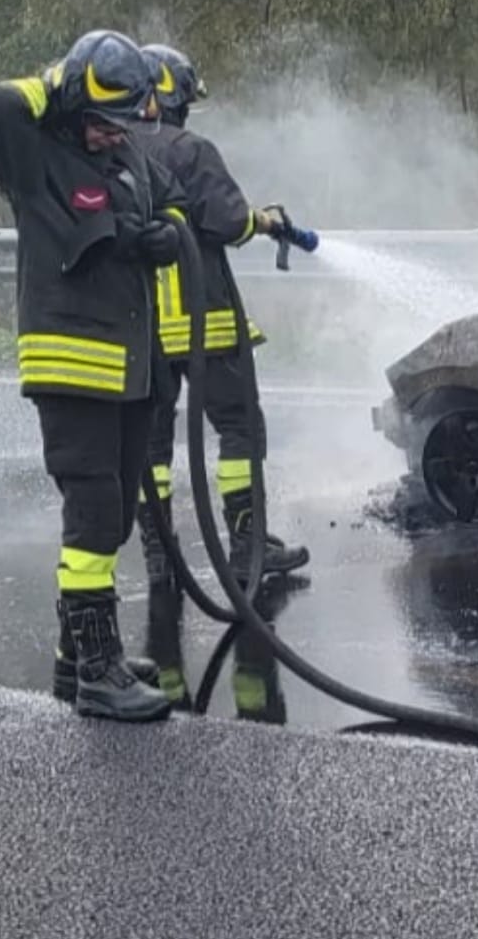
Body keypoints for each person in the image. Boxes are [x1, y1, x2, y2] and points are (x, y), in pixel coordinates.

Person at [0, 29, 183, 723]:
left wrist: (166, 234)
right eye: (96, 121)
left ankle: (78, 653)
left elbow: (165, 202)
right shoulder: (35, 158)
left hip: (127, 367)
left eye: (117, 124)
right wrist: (54, 80)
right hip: (71, 363)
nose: (106, 135)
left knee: (118, 509)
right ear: (71, 103)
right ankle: (98, 671)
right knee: (93, 508)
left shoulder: (123, 157)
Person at [133, 43, 310, 595]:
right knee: (239, 428)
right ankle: (247, 546)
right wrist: (265, 220)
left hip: (140, 326)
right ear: (174, 96)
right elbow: (230, 223)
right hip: (201, 315)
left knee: (151, 446)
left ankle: (160, 556)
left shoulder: (112, 152)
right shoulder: (190, 150)